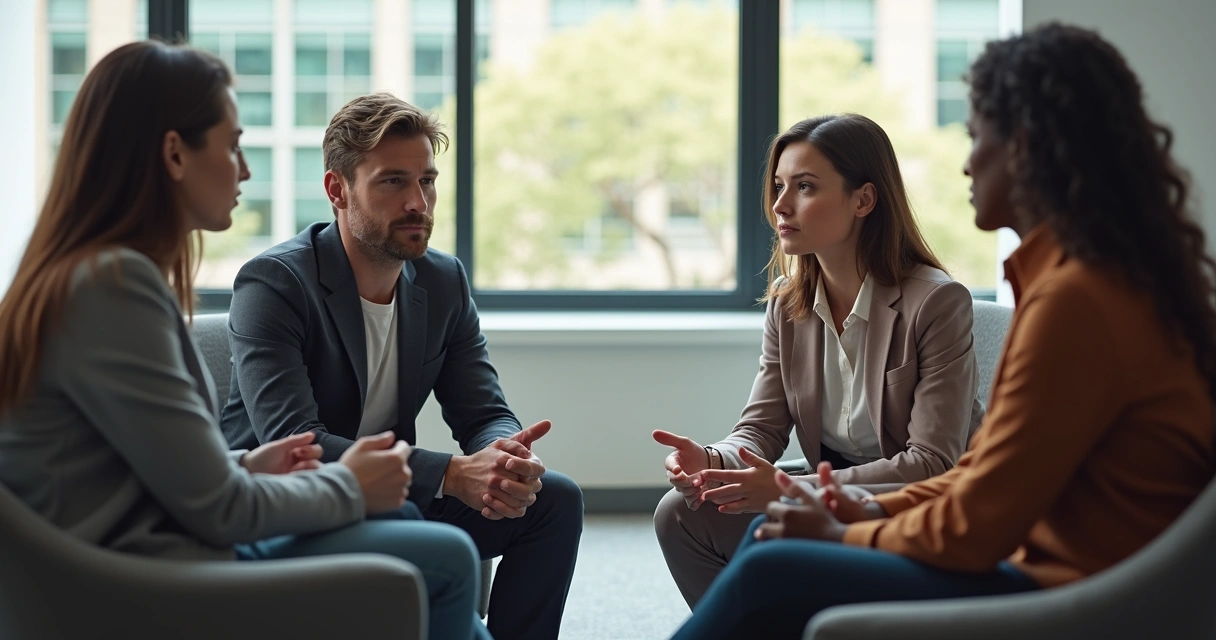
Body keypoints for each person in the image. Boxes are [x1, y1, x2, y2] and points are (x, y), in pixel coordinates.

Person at [669, 23, 1216, 639]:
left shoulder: (1077, 301)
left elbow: (978, 519)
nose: (966, 163)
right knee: (775, 551)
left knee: (773, 569)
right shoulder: (1084, 280)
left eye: (976, 137)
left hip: (1067, 587)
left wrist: (849, 529)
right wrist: (854, 507)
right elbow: (981, 475)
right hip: (1039, 560)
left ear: (1027, 148)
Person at [0, 41, 489, 640]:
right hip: (143, 579)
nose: (245, 168)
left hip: (147, 547)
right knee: (444, 555)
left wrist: (245, 463)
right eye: (232, 145)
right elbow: (220, 510)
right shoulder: (116, 288)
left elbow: (135, 470)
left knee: (433, 542)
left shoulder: (90, 274)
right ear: (175, 153)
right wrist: (348, 482)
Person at [219, 92, 583, 640]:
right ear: (337, 189)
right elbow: (299, 444)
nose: (419, 202)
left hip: (393, 493)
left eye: (427, 181)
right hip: (292, 507)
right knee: (411, 524)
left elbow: (483, 409)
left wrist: (505, 452)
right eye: (393, 182)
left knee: (554, 500)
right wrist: (453, 475)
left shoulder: (443, 281)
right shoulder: (274, 285)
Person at [653, 113, 982, 607]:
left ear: (864, 200)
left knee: (776, 531)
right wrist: (713, 461)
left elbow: (931, 463)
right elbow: (761, 428)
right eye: (780, 186)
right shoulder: (789, 304)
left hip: (912, 507)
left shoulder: (935, 302)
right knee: (681, 511)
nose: (780, 205)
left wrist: (790, 490)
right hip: (827, 490)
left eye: (804, 187)